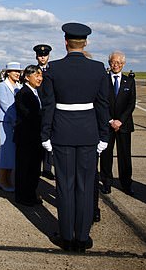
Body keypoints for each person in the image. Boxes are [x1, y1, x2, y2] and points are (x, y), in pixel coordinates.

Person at [40, 23, 109, 252]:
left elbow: (48, 106)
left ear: (65, 42)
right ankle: (82, 236)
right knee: (85, 186)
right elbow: (102, 105)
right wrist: (104, 136)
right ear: (85, 43)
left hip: (62, 133)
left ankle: (67, 236)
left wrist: (45, 135)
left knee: (65, 186)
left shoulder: (54, 69)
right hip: (89, 133)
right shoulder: (98, 68)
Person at [100, 51, 136, 196]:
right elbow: (101, 102)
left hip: (124, 125)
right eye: (113, 62)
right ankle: (107, 183)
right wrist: (110, 120)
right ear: (109, 63)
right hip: (107, 125)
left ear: (123, 64)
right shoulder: (103, 80)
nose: (116, 65)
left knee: (125, 156)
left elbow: (131, 104)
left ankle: (126, 184)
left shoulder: (129, 81)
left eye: (119, 63)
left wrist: (120, 121)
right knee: (106, 155)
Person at [13, 65, 44, 206]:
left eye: (41, 75)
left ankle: (30, 194)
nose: (40, 78)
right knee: (24, 169)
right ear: (27, 77)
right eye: (36, 75)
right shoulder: (23, 94)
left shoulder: (36, 92)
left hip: (36, 138)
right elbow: (30, 116)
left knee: (34, 169)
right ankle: (22, 197)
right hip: (26, 138)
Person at [0, 62, 22, 192]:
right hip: (6, 122)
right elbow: (5, 104)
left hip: (16, 123)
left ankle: (10, 179)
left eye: (19, 71)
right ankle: (2, 180)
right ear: (8, 73)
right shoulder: (2, 86)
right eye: (14, 71)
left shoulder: (19, 86)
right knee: (6, 151)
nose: (18, 73)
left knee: (13, 153)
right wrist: (17, 119)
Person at [34, 44, 54, 180]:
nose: (42, 57)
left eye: (45, 55)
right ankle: (36, 166)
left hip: (51, 108)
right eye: (40, 55)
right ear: (36, 56)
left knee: (49, 139)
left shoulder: (54, 70)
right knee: (37, 140)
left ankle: (47, 168)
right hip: (37, 109)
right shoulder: (32, 71)